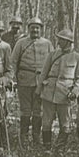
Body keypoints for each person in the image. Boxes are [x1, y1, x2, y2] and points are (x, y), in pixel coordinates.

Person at [38, 29, 79, 150]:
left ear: (68, 42)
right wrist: (39, 89)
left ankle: (60, 148)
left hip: (65, 94)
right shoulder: (52, 54)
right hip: (49, 92)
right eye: (59, 39)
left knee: (65, 123)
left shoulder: (77, 58)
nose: (59, 41)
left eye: (62, 40)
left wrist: (74, 92)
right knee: (46, 121)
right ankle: (47, 147)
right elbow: (44, 73)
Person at [12, 17, 53, 147]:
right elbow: (13, 62)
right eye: (32, 27)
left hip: (41, 82)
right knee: (25, 110)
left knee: (38, 111)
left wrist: (49, 79)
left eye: (37, 27)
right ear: (28, 29)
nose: (35, 30)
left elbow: (53, 62)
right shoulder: (21, 43)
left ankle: (36, 137)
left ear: (41, 29)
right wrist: (13, 78)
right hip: (24, 80)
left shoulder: (47, 44)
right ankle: (23, 137)